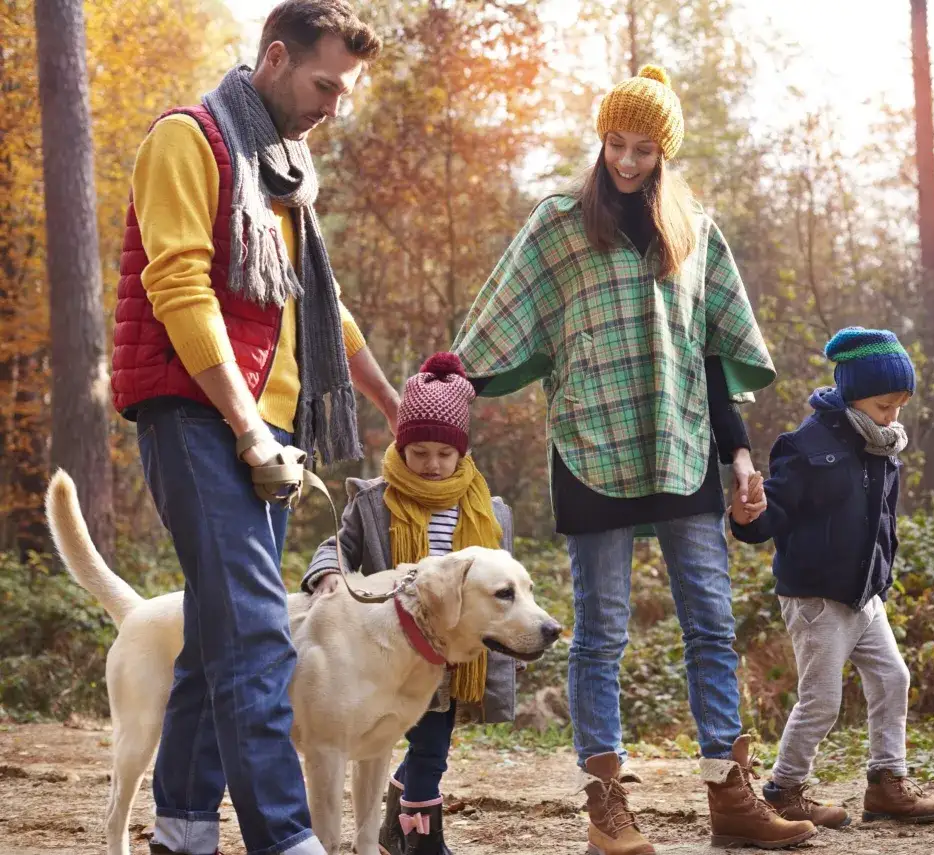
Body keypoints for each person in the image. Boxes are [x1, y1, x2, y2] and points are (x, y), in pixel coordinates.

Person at [451, 64, 817, 854]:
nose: (624, 160)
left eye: (642, 148)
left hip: (681, 442)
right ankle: (605, 804)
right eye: (614, 143)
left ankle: (729, 790)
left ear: (665, 151)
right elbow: (496, 324)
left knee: (711, 625)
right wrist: (441, 391)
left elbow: (713, 355)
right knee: (601, 632)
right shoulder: (559, 223)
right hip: (590, 446)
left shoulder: (694, 230)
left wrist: (741, 457)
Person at [109, 3, 400, 853]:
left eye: (345, 92)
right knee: (258, 634)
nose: (333, 107)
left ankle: (185, 829)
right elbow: (180, 288)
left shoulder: (282, 173)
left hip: (271, 428)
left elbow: (322, 305)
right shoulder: (187, 140)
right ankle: (286, 837)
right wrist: (246, 425)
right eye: (324, 86)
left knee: (215, 634)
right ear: (275, 57)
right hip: (197, 413)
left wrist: (388, 400)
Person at [729, 327, 934, 826]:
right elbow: (773, 512)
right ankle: (785, 788)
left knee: (893, 677)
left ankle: (886, 785)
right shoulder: (806, 446)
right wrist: (749, 518)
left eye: (900, 406)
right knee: (822, 701)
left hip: (864, 594)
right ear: (852, 394)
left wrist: (882, 574)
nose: (892, 417)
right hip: (816, 596)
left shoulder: (883, 447)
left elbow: (882, 523)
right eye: (883, 405)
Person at [301, 353, 516, 855]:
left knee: (431, 747)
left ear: (461, 454)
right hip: (388, 651)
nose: (432, 465)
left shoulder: (490, 512)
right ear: (402, 445)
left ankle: (415, 829)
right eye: (419, 452)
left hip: (451, 647)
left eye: (444, 453)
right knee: (387, 739)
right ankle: (404, 827)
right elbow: (336, 545)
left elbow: (503, 583)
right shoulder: (375, 503)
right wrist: (328, 572)